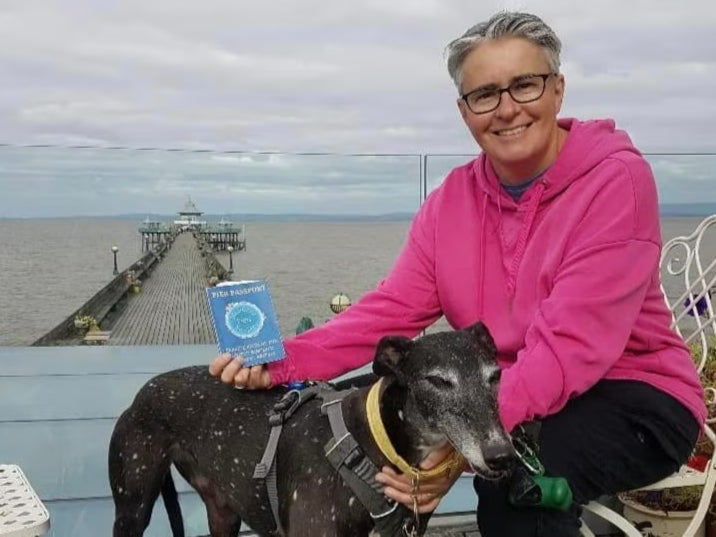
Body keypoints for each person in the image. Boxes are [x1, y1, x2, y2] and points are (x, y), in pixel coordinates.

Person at [209, 11, 706, 537]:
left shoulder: (615, 181)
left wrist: (460, 446)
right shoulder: (451, 200)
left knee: (518, 483)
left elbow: (571, 348)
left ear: (557, 90)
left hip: (634, 394)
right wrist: (284, 360)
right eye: (485, 94)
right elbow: (390, 310)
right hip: (500, 392)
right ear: (464, 111)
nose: (507, 108)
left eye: (525, 84)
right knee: (363, 407)